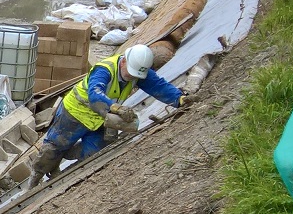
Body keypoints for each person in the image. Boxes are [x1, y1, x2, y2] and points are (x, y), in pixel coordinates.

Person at [34, 43, 186, 179]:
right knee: (53, 148)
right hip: (75, 113)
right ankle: (36, 178)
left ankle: (68, 172)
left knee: (96, 149)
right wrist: (116, 108)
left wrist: (179, 99)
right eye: (130, 72)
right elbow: (95, 93)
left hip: (102, 118)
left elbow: (159, 86)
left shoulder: (138, 71)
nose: (131, 77)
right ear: (124, 60)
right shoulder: (104, 69)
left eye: (135, 75)